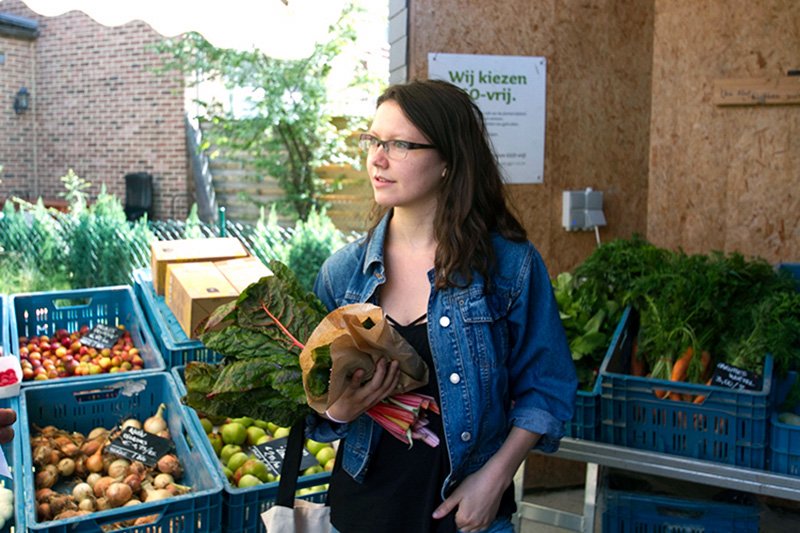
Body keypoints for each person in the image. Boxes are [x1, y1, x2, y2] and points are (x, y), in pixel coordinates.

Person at [310, 79, 577, 533]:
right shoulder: (343, 274)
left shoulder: (508, 268)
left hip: (468, 517)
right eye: (373, 140)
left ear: (448, 162)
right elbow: (308, 404)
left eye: (399, 144)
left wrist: (495, 479)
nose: (377, 158)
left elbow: (546, 388)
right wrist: (339, 410)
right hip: (362, 513)